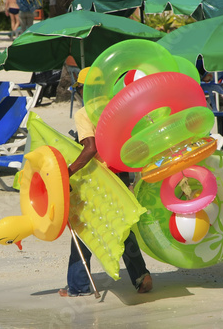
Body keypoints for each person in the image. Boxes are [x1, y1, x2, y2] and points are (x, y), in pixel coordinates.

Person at [58, 68, 153, 297]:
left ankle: (78, 286)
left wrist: (67, 171)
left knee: (83, 228)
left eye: (78, 89)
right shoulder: (119, 107)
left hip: (97, 178)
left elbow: (91, 148)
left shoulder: (84, 113)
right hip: (120, 173)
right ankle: (141, 277)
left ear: (82, 89)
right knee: (121, 226)